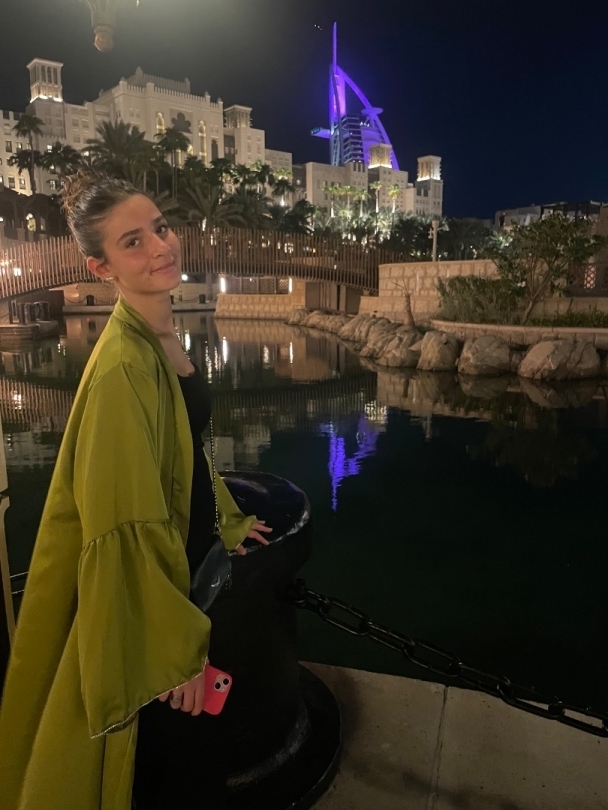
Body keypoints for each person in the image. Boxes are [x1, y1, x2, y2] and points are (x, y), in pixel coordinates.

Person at [0, 173, 271, 810]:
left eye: (160, 228)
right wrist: (170, 653)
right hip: (158, 608)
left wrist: (226, 518)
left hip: (185, 566)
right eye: (133, 241)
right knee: (165, 777)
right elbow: (122, 520)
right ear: (101, 267)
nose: (159, 246)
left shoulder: (156, 334)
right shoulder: (123, 366)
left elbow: (184, 450)